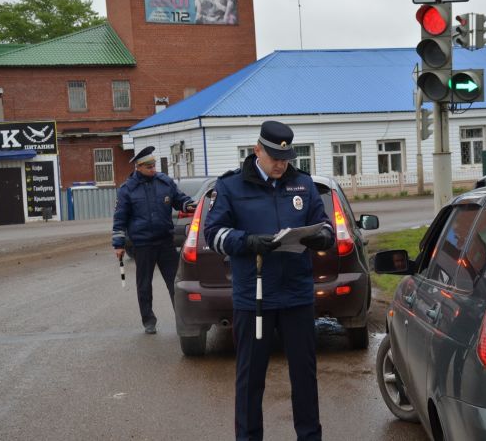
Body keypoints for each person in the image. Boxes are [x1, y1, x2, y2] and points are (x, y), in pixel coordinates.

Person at [204, 120, 334, 441]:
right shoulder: (231, 187)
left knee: (304, 376)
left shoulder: (303, 184)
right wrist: (247, 242)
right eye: (274, 156)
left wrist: (320, 239)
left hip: (297, 296)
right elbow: (213, 234)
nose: (280, 163)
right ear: (257, 149)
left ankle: (310, 436)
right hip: (255, 298)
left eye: (286, 157)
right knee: (250, 379)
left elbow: (326, 227)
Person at [112, 146, 197, 334]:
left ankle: (182, 319)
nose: (154, 169)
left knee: (176, 283)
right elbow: (120, 218)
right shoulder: (128, 189)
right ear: (139, 167)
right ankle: (148, 320)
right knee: (144, 285)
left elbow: (179, 199)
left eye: (154, 165)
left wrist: (189, 204)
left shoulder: (164, 182)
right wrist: (118, 244)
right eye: (149, 167)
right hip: (142, 244)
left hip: (165, 241)